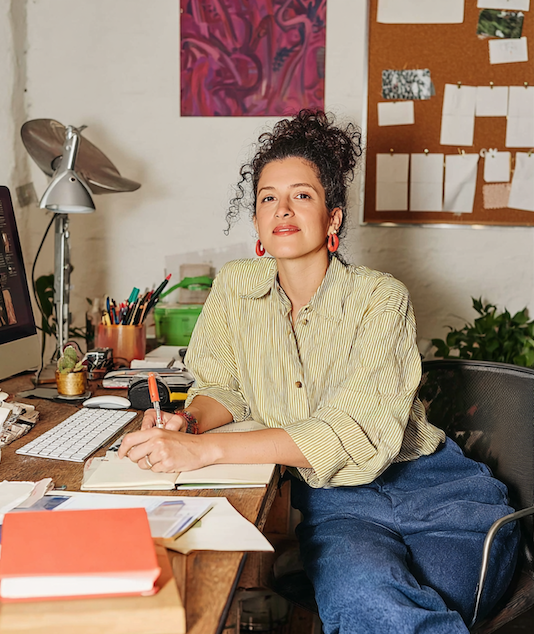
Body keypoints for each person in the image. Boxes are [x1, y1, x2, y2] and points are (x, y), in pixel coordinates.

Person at [119, 110, 520, 633]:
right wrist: (189, 423)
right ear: (257, 221)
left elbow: (351, 430)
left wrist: (206, 450)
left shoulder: (379, 298)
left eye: (302, 195)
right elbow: (225, 388)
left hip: (437, 493)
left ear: (332, 219)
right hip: (339, 507)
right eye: (268, 198)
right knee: (368, 603)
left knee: (415, 608)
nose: (282, 209)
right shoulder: (236, 287)